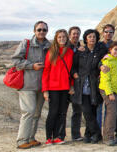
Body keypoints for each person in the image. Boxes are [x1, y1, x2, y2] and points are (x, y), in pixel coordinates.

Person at [11, 20, 51, 149]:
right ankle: (21, 140)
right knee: (28, 112)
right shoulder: (26, 43)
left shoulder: (49, 46)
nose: (41, 32)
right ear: (34, 31)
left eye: (44, 30)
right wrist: (31, 66)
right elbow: (16, 61)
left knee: (36, 113)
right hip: (27, 84)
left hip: (41, 85)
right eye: (39, 29)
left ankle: (31, 138)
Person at [70, 29, 107, 144]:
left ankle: (87, 134)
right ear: (86, 39)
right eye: (90, 37)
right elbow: (73, 66)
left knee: (93, 110)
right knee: (86, 111)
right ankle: (96, 133)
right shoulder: (80, 52)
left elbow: (103, 62)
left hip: (94, 85)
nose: (92, 39)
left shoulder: (100, 51)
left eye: (94, 37)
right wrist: (74, 73)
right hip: (81, 86)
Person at [42, 29, 74, 145]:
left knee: (62, 113)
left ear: (67, 38)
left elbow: (71, 71)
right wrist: (45, 90)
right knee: (53, 112)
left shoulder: (70, 52)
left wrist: (71, 86)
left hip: (65, 87)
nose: (62, 39)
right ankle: (48, 137)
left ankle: (59, 136)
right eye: (59, 37)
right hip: (53, 87)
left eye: (64, 37)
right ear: (56, 38)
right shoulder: (51, 52)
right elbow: (46, 71)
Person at [98, 41, 117, 146]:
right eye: (115, 49)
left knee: (112, 113)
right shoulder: (108, 61)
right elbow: (105, 79)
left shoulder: (115, 60)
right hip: (108, 90)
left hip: (113, 90)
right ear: (110, 50)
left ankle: (108, 136)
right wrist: (110, 93)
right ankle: (108, 137)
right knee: (111, 114)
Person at [97, 24, 115, 132]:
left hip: (111, 80)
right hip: (99, 79)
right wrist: (100, 66)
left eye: (111, 32)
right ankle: (97, 131)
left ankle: (106, 132)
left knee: (109, 109)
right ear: (103, 33)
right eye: (106, 31)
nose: (108, 34)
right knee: (98, 107)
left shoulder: (115, 46)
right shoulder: (98, 45)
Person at [68, 26, 84, 141]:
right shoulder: (65, 47)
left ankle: (76, 134)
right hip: (64, 83)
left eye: (77, 34)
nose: (75, 35)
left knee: (77, 109)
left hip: (76, 83)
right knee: (61, 111)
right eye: (73, 33)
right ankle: (58, 135)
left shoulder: (80, 47)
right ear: (70, 35)